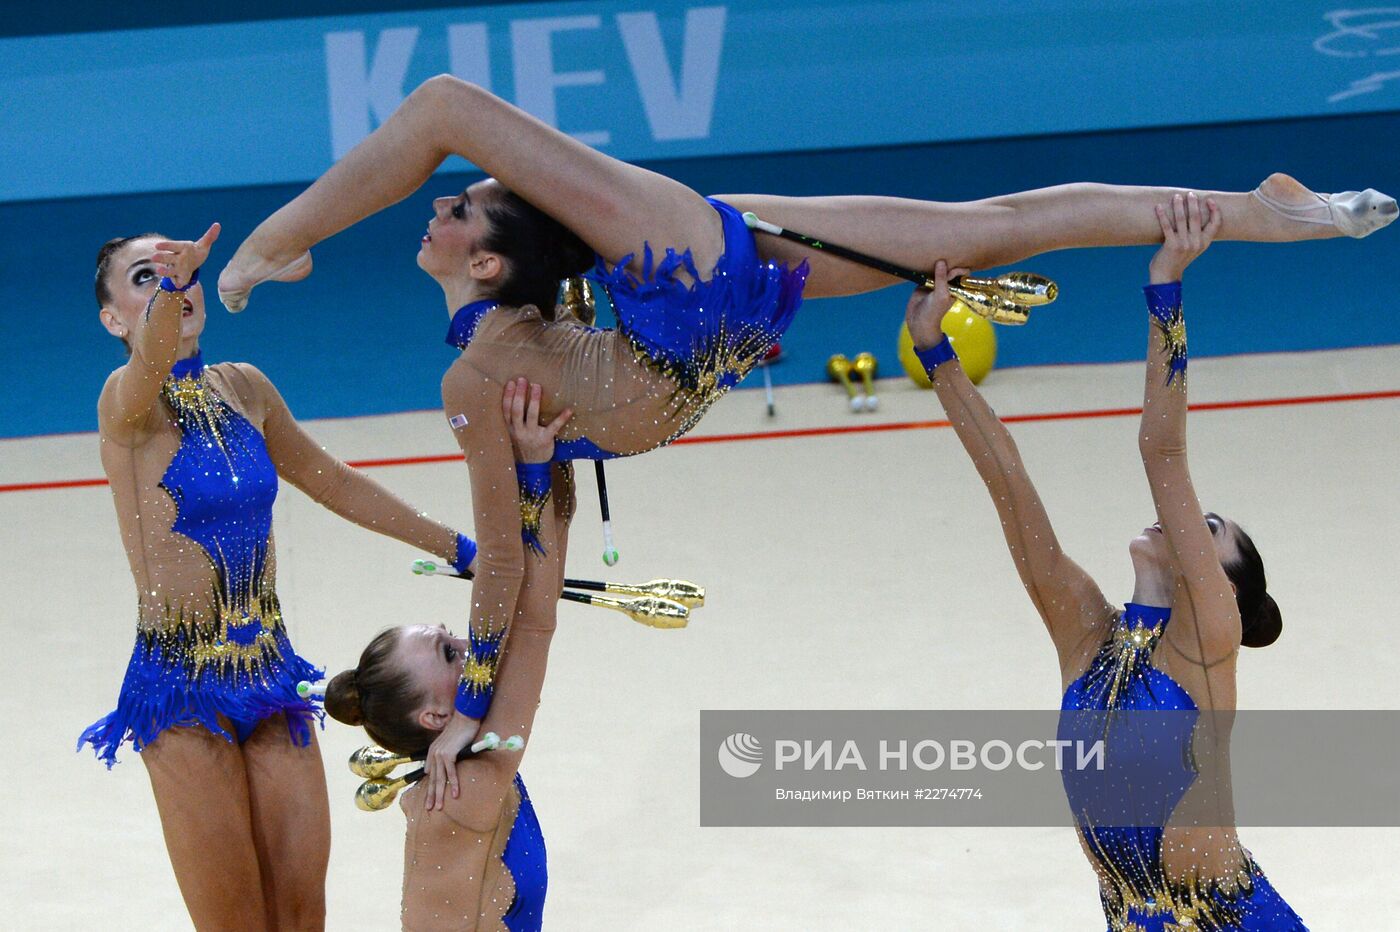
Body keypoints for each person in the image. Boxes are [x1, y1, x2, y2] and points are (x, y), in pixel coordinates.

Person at [216, 74, 1393, 803]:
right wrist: (480, 696)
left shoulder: (489, 368)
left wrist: (474, 697)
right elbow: (522, 549)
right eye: (459, 204)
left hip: (690, 292)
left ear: (482, 266)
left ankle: (1269, 212)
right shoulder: (487, 374)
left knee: (986, 224)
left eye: (456, 204)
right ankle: (1269, 216)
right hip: (700, 286)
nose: (437, 205)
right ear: (489, 263)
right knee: (986, 227)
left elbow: (512, 555)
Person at [904, 193, 1302, 930]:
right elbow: (1007, 481)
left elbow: (1162, 451)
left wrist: (1166, 286)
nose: (1185, 520)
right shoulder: (1084, 635)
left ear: (1222, 584)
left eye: (1209, 528)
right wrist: (937, 353)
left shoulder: (1206, 642)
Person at [80, 225, 478, 929]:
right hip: (180, 693)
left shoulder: (245, 388)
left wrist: (460, 547)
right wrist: (177, 284)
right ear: (113, 320)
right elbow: (150, 362)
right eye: (146, 277)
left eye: (176, 270)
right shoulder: (126, 406)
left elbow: (335, 483)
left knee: (301, 917)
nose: (171, 284)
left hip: (269, 679)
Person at [325, 379, 573, 931]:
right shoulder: (468, 788)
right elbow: (535, 620)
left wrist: (551, 462)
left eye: (450, 637)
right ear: (437, 717)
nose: (470, 644)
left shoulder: (474, 769)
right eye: (448, 653)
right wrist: (533, 472)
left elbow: (542, 591)